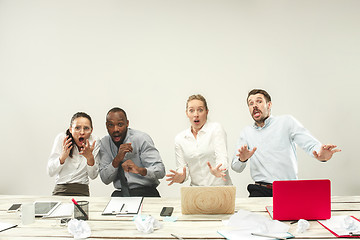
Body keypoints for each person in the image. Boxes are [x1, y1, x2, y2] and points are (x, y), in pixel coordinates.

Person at [231, 89, 341, 197]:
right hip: (260, 191)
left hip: (288, 189)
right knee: (249, 215)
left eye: (259, 101)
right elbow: (236, 167)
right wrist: (243, 159)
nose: (254, 106)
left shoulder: (286, 122)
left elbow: (310, 144)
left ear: (269, 105)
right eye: (251, 103)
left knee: (297, 215)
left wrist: (322, 155)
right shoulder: (246, 132)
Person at [166, 94, 232, 186]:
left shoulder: (216, 129)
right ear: (187, 113)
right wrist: (180, 177)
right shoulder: (180, 139)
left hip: (220, 188)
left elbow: (222, 158)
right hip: (197, 192)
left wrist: (219, 169)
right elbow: (182, 169)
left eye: (200, 110)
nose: (196, 115)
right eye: (191, 110)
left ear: (207, 112)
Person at [99, 107, 165, 197]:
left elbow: (160, 171)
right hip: (121, 193)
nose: (116, 129)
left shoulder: (141, 139)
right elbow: (105, 179)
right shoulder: (104, 143)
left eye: (120, 124)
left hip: (146, 191)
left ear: (127, 123)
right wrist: (117, 159)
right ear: (106, 126)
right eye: (111, 125)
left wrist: (139, 170)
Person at [47, 112, 100, 196]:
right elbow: (50, 172)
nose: (82, 132)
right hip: (60, 189)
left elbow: (93, 176)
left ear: (91, 130)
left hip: (82, 190)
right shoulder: (62, 139)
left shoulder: (94, 142)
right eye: (77, 128)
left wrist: (90, 158)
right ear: (71, 129)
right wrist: (62, 157)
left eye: (86, 128)